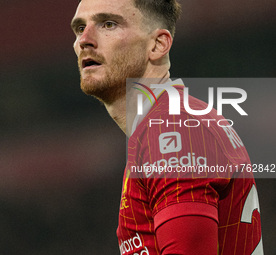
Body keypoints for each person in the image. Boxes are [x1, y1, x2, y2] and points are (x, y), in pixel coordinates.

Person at [71, 0, 263, 254]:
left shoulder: (174, 129)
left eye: (108, 24)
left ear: (158, 44)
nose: (84, 39)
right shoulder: (163, 124)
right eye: (80, 27)